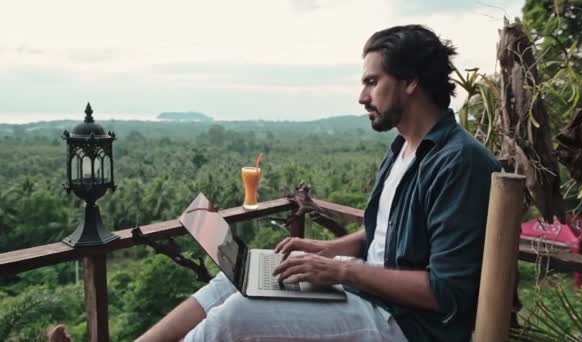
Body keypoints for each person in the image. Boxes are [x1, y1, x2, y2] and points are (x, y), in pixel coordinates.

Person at [52, 24, 499, 342]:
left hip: (405, 324)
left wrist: (340, 271)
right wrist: (326, 250)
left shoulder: (458, 163)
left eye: (371, 82)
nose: (362, 96)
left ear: (410, 83)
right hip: (368, 293)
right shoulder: (405, 148)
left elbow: (447, 291)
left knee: (237, 317)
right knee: (232, 283)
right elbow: (381, 233)